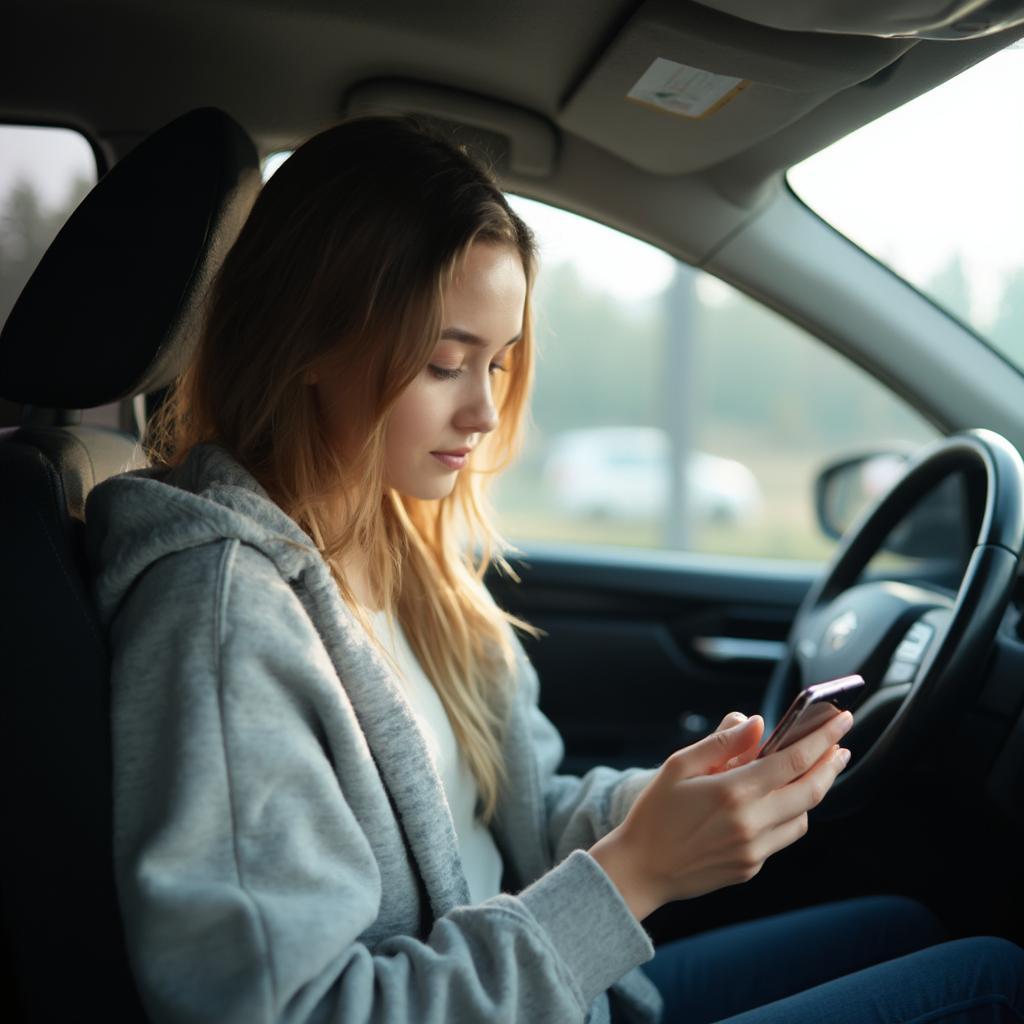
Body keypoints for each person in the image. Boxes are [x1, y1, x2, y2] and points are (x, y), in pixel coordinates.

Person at [84, 114, 1024, 1024]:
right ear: (310, 346)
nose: (486, 414)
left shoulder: (402, 551)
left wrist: (658, 808)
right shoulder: (224, 618)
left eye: (499, 364)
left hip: (564, 996)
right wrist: (637, 872)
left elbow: (513, 820)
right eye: (445, 363)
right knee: (989, 982)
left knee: (903, 926)